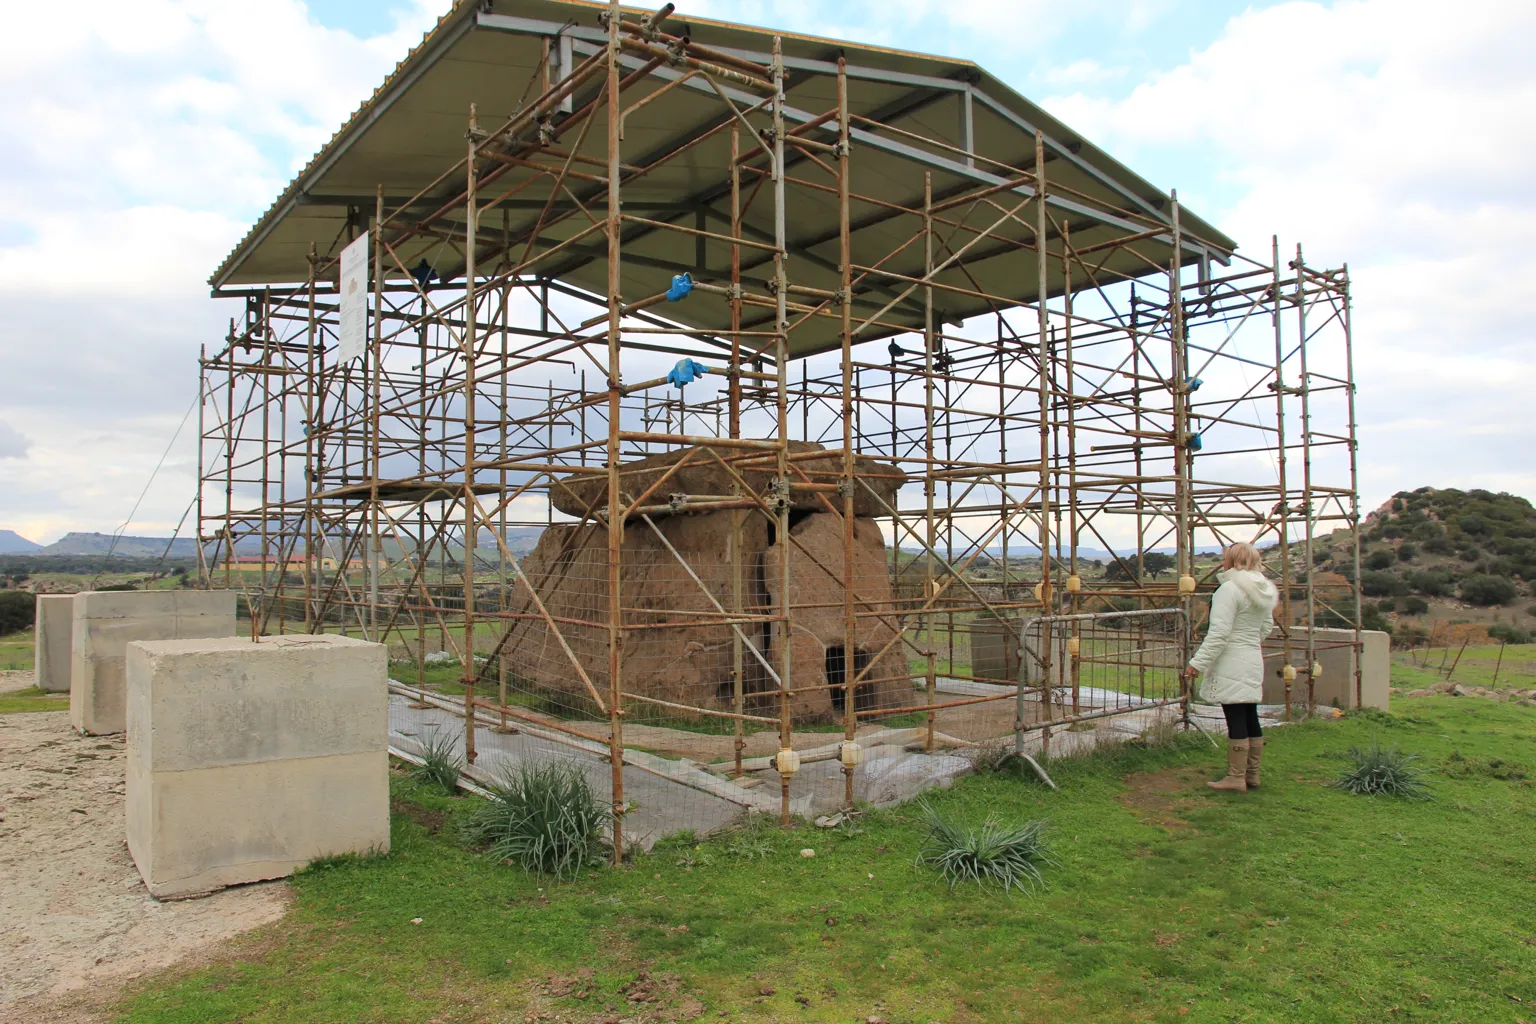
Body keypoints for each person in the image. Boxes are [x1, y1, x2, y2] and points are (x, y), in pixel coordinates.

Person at [1183, 542, 1279, 792]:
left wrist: (1197, 663)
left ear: (1232, 561)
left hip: (1231, 658)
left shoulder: (1229, 589)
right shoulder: (1263, 590)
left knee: (1235, 715)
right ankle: (1252, 775)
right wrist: (1248, 642)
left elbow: (1219, 633)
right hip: (1252, 656)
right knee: (1250, 714)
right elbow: (1266, 627)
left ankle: (1236, 777)